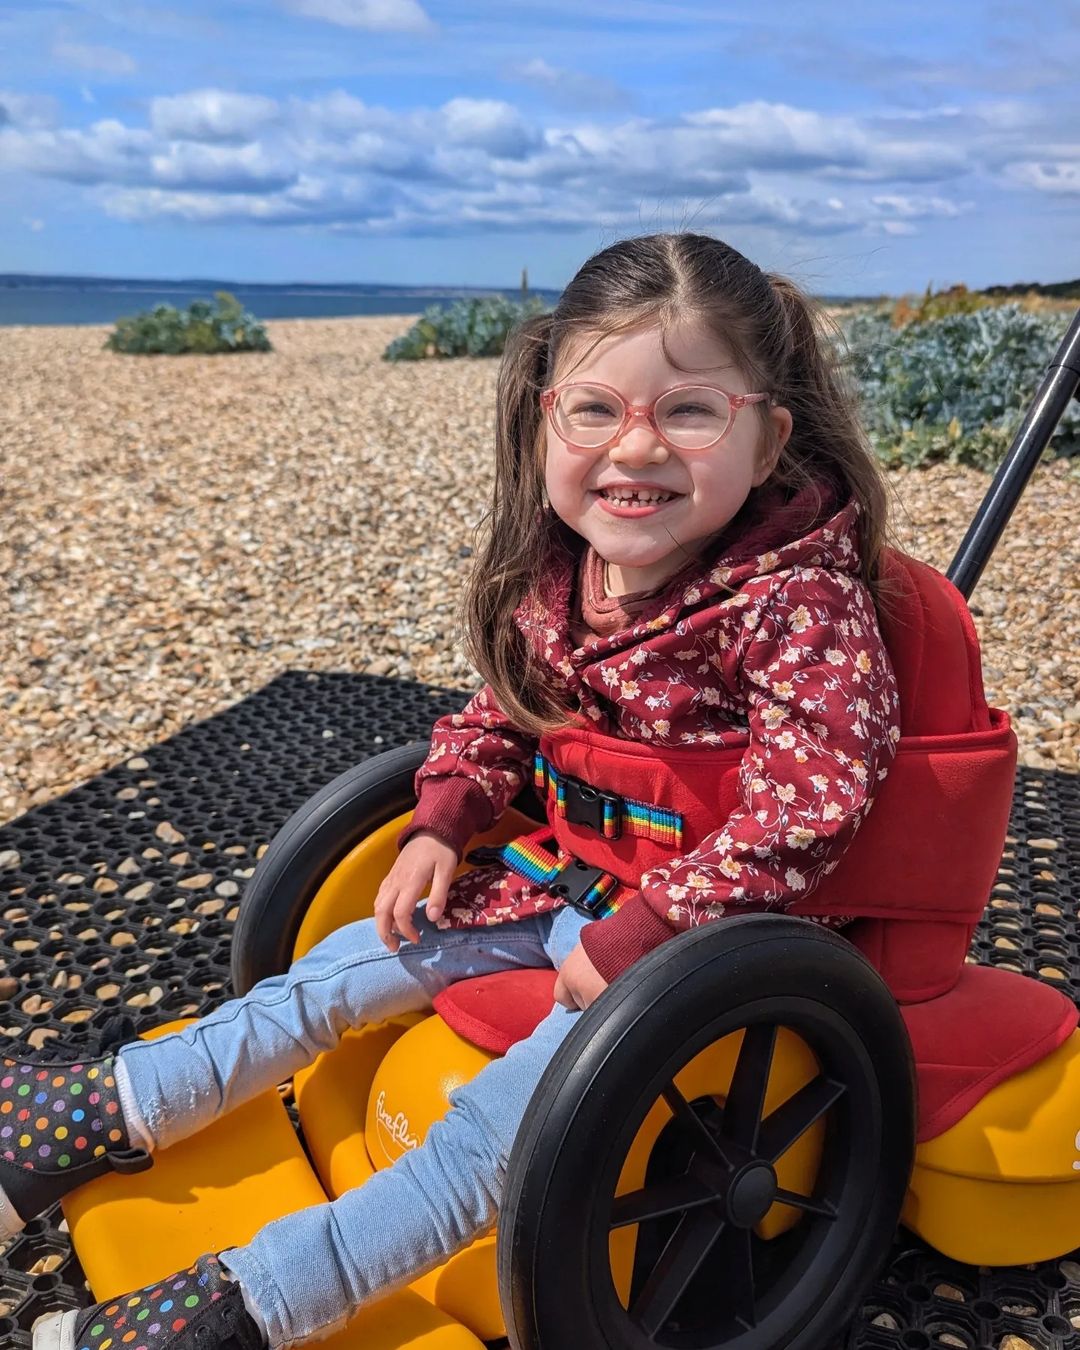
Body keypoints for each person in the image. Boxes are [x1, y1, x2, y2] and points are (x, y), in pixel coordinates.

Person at [6, 232, 899, 1350]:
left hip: (705, 943)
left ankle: (254, 1304)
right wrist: (444, 820)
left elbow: (812, 800)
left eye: (689, 412)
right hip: (563, 880)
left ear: (767, 436)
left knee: (490, 1138)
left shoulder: (798, 606)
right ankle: (105, 1109)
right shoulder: (566, 577)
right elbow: (500, 719)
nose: (636, 447)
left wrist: (654, 924)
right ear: (544, 419)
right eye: (595, 410)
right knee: (327, 976)